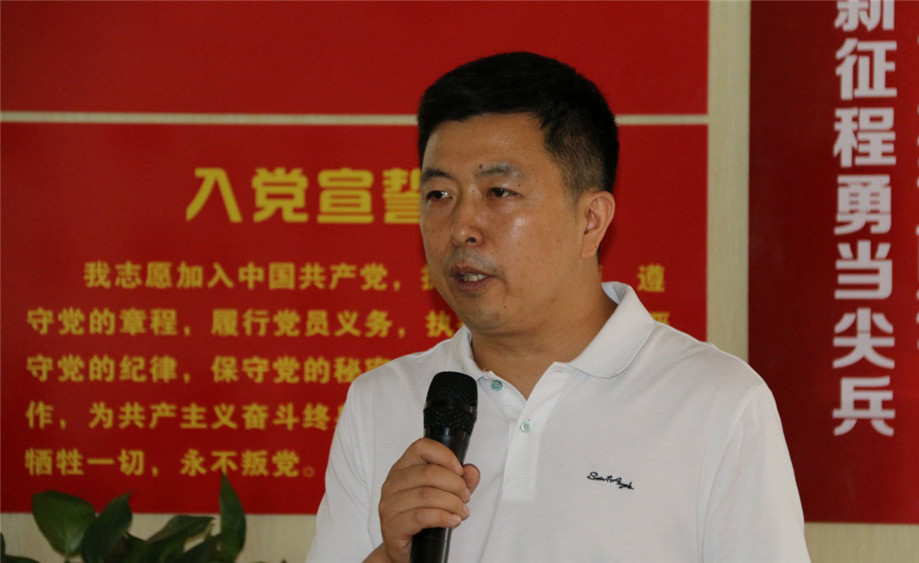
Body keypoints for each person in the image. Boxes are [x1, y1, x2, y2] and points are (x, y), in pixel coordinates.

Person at [307, 51, 810, 562]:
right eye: (439, 195)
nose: (460, 228)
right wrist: (391, 556)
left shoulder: (717, 402)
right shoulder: (380, 401)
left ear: (590, 220)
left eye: (499, 192)